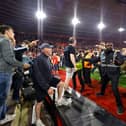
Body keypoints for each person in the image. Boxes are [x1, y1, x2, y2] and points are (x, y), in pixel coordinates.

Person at [32, 43, 71, 126]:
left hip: (48, 79)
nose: (51, 50)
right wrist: (47, 87)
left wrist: (55, 78)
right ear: (43, 50)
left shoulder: (47, 58)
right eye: (48, 48)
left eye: (51, 48)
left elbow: (48, 72)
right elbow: (38, 76)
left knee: (61, 84)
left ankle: (59, 100)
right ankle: (37, 120)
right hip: (40, 83)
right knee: (39, 102)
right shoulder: (38, 59)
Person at [0, 24, 30, 125]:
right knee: (2, 97)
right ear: (7, 32)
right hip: (4, 72)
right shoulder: (5, 41)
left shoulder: (2, 41)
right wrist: (22, 65)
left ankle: (3, 116)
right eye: (12, 32)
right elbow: (9, 58)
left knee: (3, 97)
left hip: (3, 72)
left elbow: (10, 53)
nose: (13, 33)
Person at [96, 43, 124, 114]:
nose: (109, 47)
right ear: (105, 47)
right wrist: (90, 60)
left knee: (114, 89)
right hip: (106, 73)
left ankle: (120, 106)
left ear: (112, 47)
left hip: (114, 74)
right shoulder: (103, 53)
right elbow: (98, 59)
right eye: (108, 46)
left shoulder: (116, 53)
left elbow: (121, 60)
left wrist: (119, 62)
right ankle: (102, 93)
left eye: (110, 46)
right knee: (103, 84)